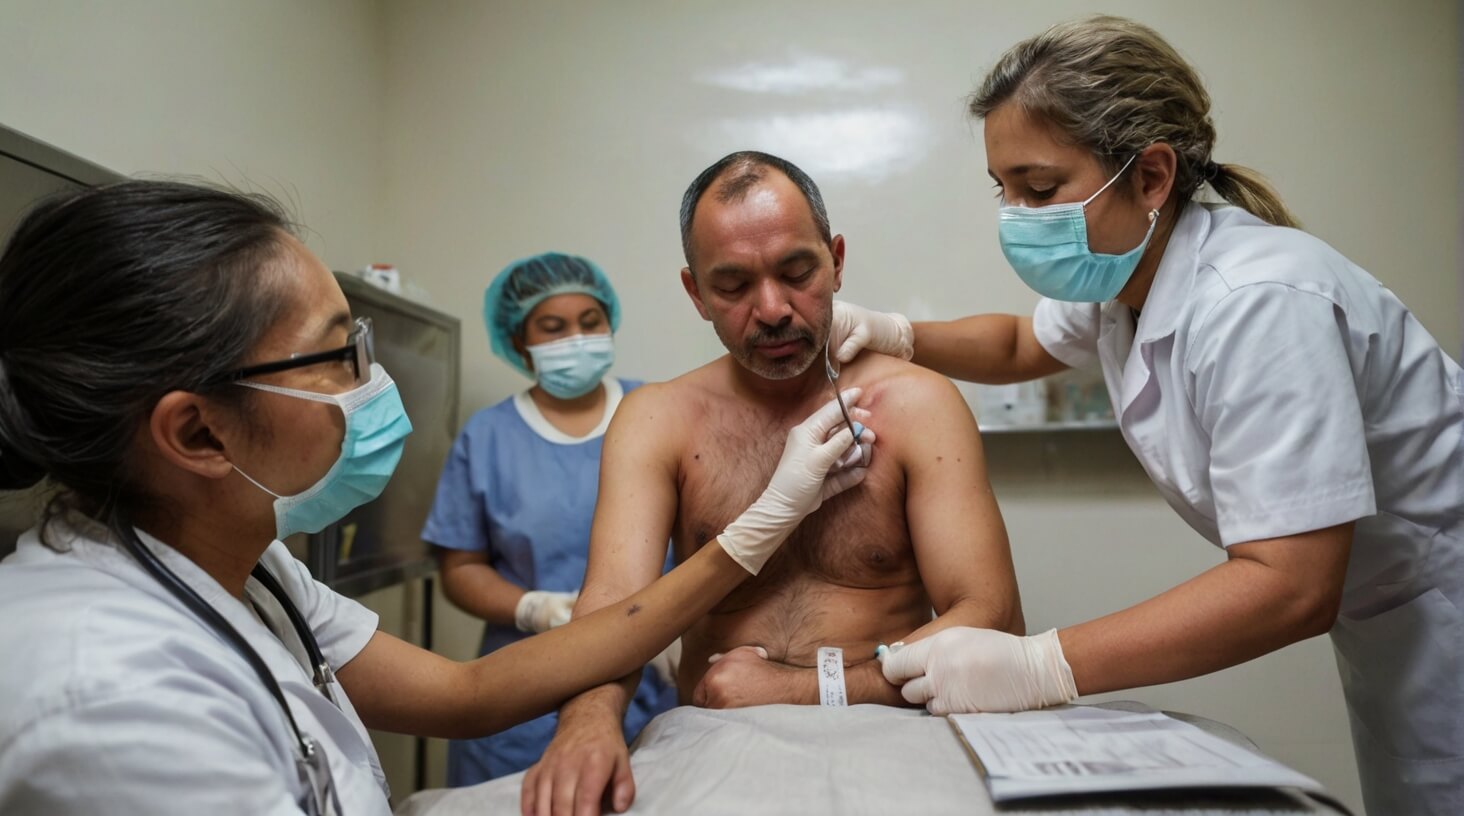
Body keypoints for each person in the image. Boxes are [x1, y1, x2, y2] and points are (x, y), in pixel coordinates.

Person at [0, 180, 870, 815]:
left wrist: (751, 531)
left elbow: (464, 695)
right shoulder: (110, 701)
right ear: (198, 436)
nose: (373, 383)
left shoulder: (242, 568)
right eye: (339, 355)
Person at [832, 16, 1464, 815]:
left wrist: (1038, 666)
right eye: (1003, 190)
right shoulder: (1120, 277)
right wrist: (894, 333)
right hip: (1396, 625)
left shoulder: (1259, 303)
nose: (1017, 216)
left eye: (1040, 187)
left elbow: (1291, 585)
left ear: (1152, 176)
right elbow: (1024, 343)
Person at [522, 151, 1023, 816]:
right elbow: (612, 608)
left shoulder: (919, 405)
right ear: (695, 292)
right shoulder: (658, 421)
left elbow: (992, 623)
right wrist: (586, 725)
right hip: (713, 750)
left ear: (836, 260)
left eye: (796, 272)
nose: (772, 309)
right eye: (731, 286)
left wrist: (804, 689)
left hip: (898, 742)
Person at [423, 253, 677, 786]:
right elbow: (461, 568)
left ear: (610, 321)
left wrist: (679, 631)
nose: (577, 340)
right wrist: (535, 608)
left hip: (645, 682)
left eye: (590, 323)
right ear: (521, 341)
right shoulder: (488, 437)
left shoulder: (658, 411)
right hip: (520, 695)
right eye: (553, 327)